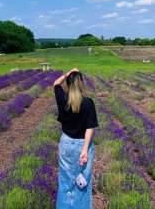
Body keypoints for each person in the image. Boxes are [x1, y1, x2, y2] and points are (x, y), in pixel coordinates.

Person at [54, 68, 99, 209]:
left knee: (65, 180)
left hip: (66, 144)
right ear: (81, 84)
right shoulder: (88, 102)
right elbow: (89, 128)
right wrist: (85, 150)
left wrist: (69, 72)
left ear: (68, 83)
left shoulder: (63, 99)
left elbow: (56, 83)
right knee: (83, 181)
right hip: (82, 145)